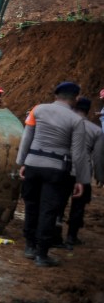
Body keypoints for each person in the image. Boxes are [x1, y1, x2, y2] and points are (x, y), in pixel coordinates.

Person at [16, 81, 89, 267]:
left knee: (31, 206)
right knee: (48, 210)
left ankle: (29, 246)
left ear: (56, 95)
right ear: (75, 98)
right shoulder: (76, 120)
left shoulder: (37, 110)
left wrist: (22, 163)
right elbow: (78, 152)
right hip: (57, 170)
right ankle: (42, 254)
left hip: (32, 164)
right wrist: (79, 178)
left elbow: (27, 138)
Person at [65, 97, 103, 247]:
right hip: (84, 171)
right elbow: (99, 156)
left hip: (64, 166)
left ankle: (54, 231)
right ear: (88, 111)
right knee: (78, 206)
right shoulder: (96, 130)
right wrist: (100, 176)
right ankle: (71, 236)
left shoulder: (66, 124)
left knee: (58, 201)